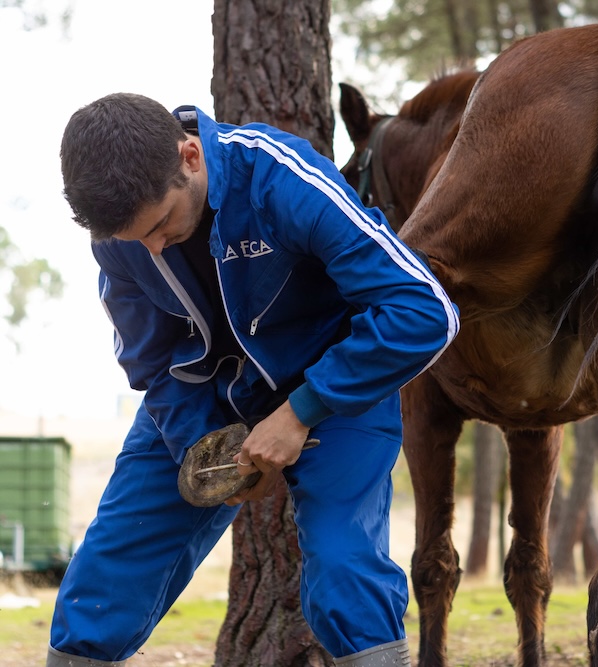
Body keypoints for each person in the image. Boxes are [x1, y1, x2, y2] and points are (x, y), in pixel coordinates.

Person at [48, 92, 459, 667]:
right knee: (102, 582)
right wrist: (203, 451)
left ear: (190, 156)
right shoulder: (121, 235)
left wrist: (299, 413)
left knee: (346, 574)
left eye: (162, 224)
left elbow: (425, 311)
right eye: (133, 240)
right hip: (202, 398)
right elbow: (150, 362)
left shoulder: (280, 177)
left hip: (334, 387)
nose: (153, 248)